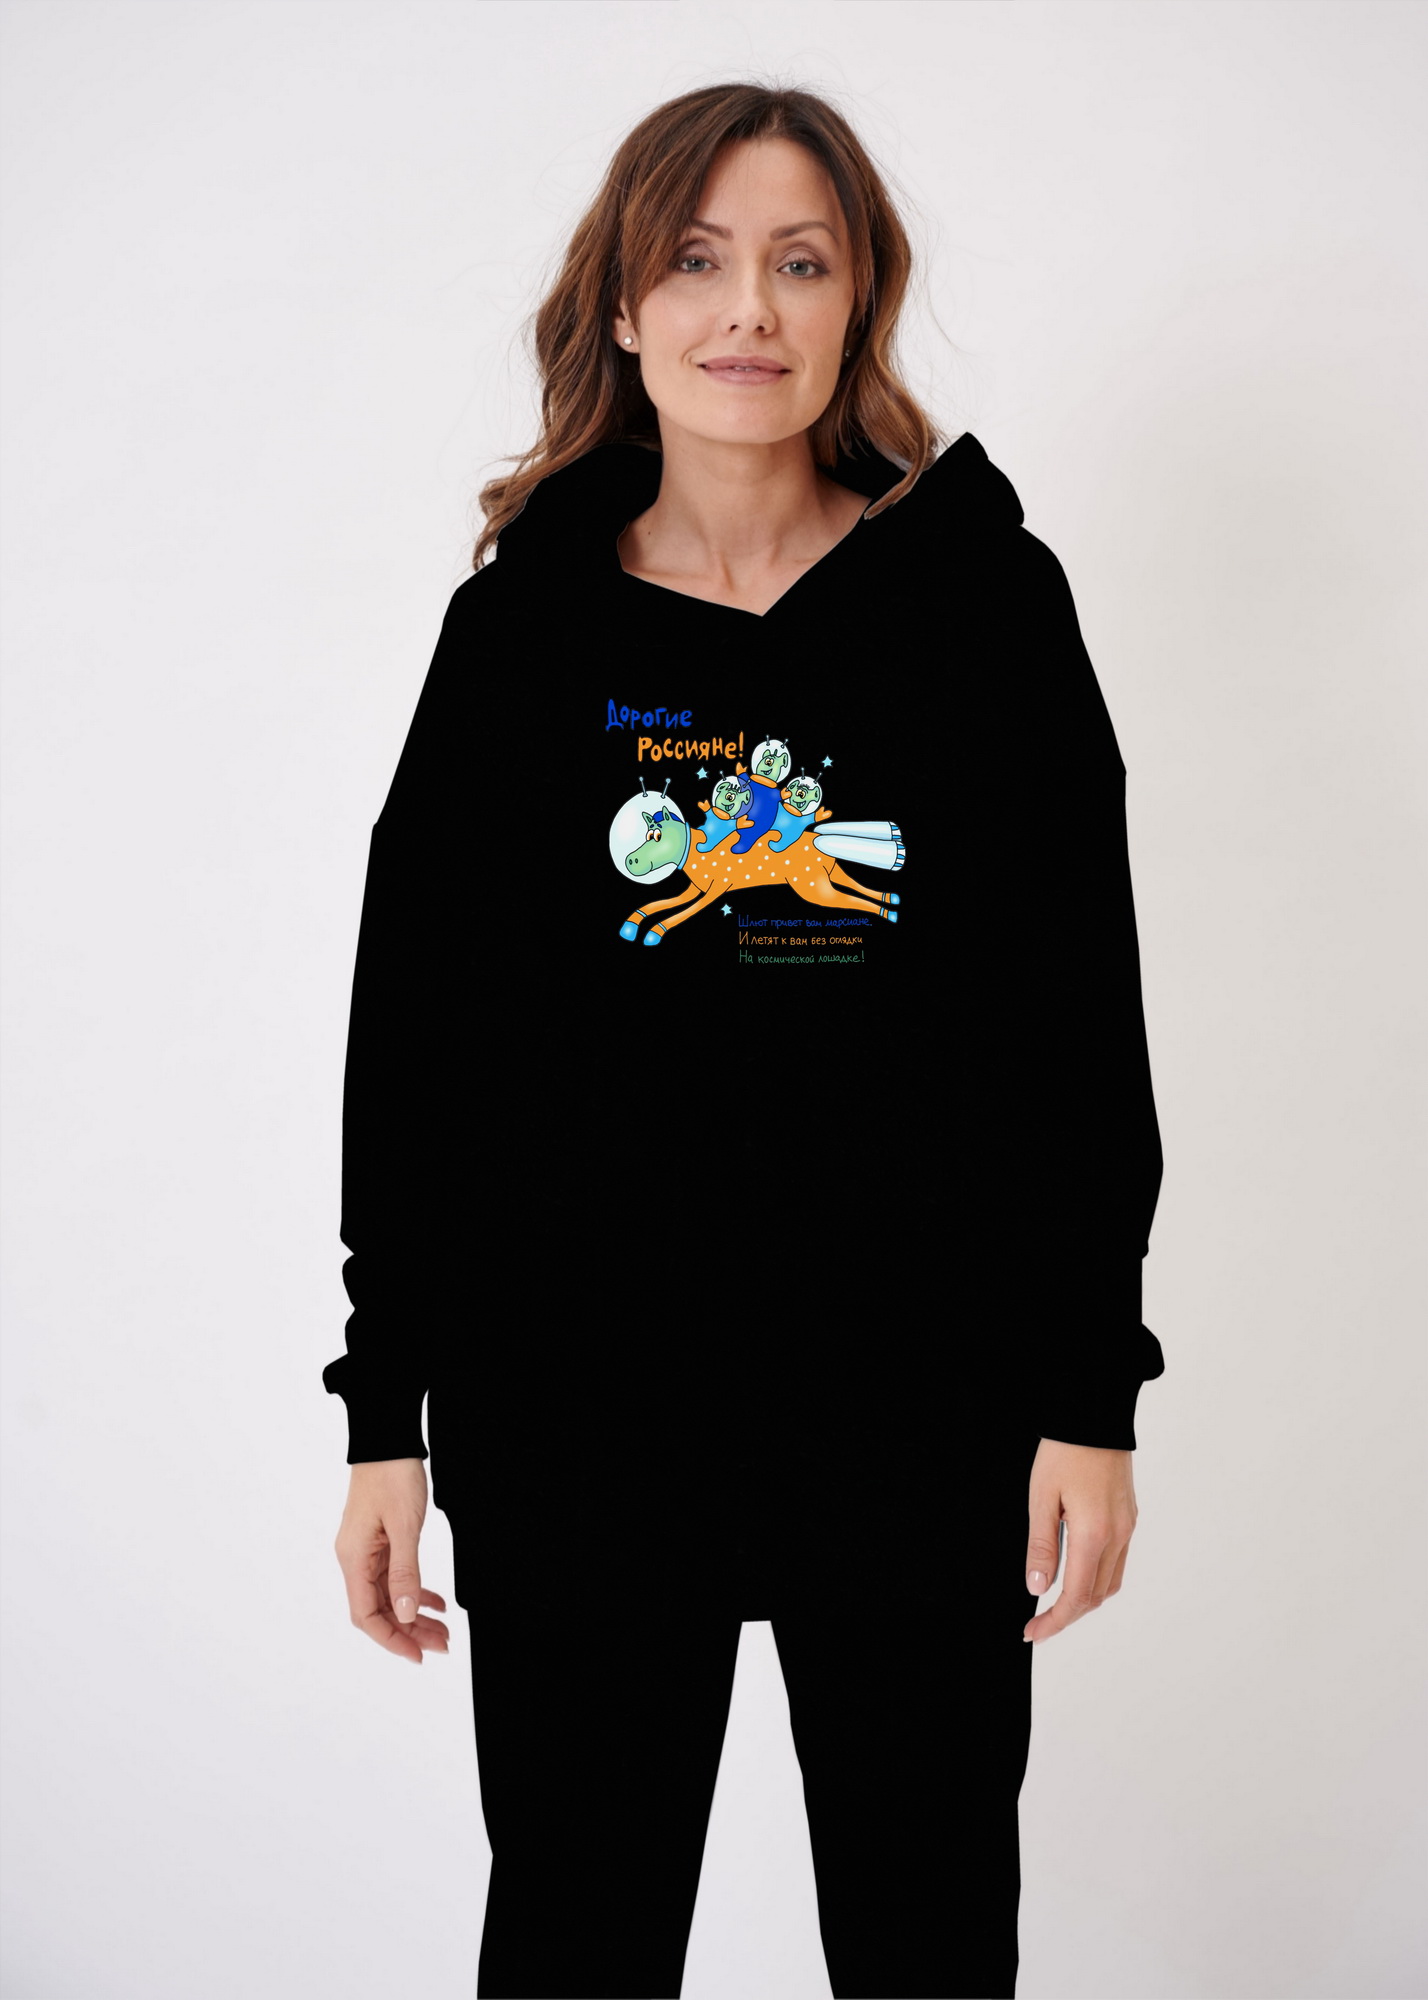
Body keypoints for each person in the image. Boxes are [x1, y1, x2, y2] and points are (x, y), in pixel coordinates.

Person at [323, 80, 1165, 2000]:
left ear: (861, 299)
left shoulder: (985, 605)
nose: (749, 312)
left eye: (801, 262)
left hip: (922, 1399)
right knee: (578, 1935)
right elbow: (422, 1045)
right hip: (580, 1409)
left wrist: (1092, 1388)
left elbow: (1074, 1022)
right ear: (624, 306)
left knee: (930, 1936)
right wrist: (386, 1412)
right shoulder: (521, 638)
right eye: (697, 261)